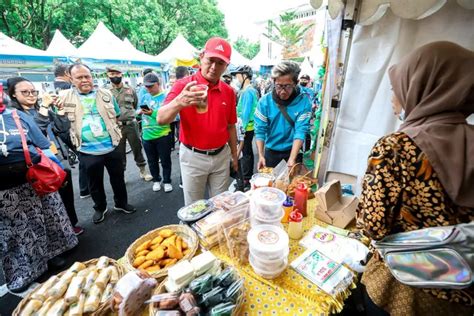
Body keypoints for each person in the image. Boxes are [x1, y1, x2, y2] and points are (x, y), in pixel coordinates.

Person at [357, 42, 473, 316]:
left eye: (398, 87)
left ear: (423, 87)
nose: (393, 97)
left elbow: (373, 226)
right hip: (459, 291)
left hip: (404, 288)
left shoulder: (396, 147)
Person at [0, 86, 78, 293]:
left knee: (43, 221)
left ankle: (52, 256)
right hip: (3, 192)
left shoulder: (17, 116)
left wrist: (58, 172)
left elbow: (43, 146)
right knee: (13, 234)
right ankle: (23, 272)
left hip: (32, 181)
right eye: (24, 92)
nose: (31, 95)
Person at [158, 37, 238, 205]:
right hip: (193, 157)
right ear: (202, 56)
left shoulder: (229, 92)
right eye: (211, 60)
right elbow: (161, 119)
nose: (214, 67)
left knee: (220, 206)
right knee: (194, 208)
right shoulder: (184, 86)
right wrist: (180, 101)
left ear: (226, 66)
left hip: (221, 156)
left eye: (220, 63)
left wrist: (234, 155)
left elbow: (231, 126)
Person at [7, 77, 84, 235]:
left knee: (65, 194)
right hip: (38, 165)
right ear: (13, 95)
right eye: (25, 92)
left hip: (56, 160)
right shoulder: (14, 116)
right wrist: (43, 106)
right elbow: (35, 131)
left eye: (33, 91)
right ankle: (56, 233)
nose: (31, 94)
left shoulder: (41, 109)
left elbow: (62, 129)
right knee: (48, 203)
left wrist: (61, 111)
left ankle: (71, 224)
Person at [61, 63, 136, 224]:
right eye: (79, 77)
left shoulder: (105, 94)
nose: (84, 80)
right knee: (94, 183)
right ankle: (100, 208)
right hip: (87, 150)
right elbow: (60, 122)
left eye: (87, 76)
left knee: (118, 178)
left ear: (92, 77)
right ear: (71, 79)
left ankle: (121, 203)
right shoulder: (64, 97)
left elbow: (116, 115)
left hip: (111, 146)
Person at [254, 61, 312, 169]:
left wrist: (292, 158)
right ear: (274, 82)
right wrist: (261, 155)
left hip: (293, 150)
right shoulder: (264, 102)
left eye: (288, 86)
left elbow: (300, 131)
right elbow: (260, 131)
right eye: (279, 86)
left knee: (291, 184)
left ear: (296, 83)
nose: (283, 92)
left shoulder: (304, 102)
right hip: (271, 152)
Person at [106, 66, 152, 181]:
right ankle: (122, 174)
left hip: (131, 124)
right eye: (112, 74)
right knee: (119, 151)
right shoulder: (106, 92)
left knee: (137, 147)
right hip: (116, 126)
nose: (115, 76)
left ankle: (143, 170)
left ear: (121, 74)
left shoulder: (130, 89)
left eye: (117, 74)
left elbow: (135, 105)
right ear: (108, 76)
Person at [139, 73, 173, 193]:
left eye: (151, 86)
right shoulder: (144, 97)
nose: (148, 89)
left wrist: (152, 113)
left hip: (162, 134)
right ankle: (156, 180)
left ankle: (167, 181)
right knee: (151, 161)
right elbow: (140, 109)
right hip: (147, 135)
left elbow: (169, 115)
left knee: (165, 160)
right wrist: (140, 112)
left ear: (158, 84)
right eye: (146, 86)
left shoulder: (166, 97)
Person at [230, 65, 258, 188]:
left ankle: (246, 178)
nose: (237, 79)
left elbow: (245, 114)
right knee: (248, 153)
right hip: (249, 128)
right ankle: (248, 177)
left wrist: (242, 131)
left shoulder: (247, 92)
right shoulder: (251, 90)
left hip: (246, 128)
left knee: (245, 154)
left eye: (237, 76)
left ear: (244, 76)